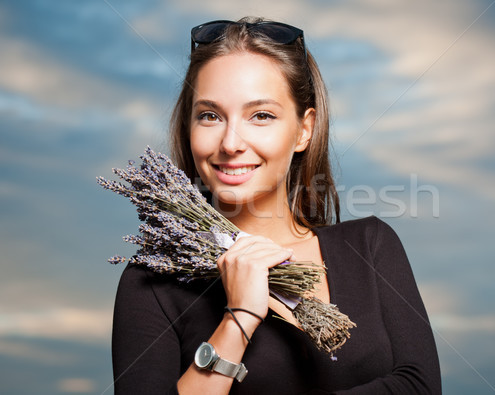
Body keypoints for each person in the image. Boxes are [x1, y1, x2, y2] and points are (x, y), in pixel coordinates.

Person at [112, 17, 441, 394]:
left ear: (304, 129)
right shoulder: (152, 281)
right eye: (210, 115)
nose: (231, 143)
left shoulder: (370, 246)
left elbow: (421, 388)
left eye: (261, 116)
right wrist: (240, 316)